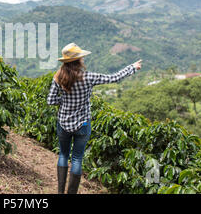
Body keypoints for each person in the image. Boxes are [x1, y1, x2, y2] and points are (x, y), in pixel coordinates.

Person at [47, 43, 142, 194]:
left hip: (63, 123)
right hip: (83, 124)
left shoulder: (58, 77)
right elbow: (114, 78)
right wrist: (132, 68)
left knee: (63, 155)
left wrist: (65, 102)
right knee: (77, 159)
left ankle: (60, 192)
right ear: (79, 60)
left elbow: (50, 100)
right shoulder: (89, 77)